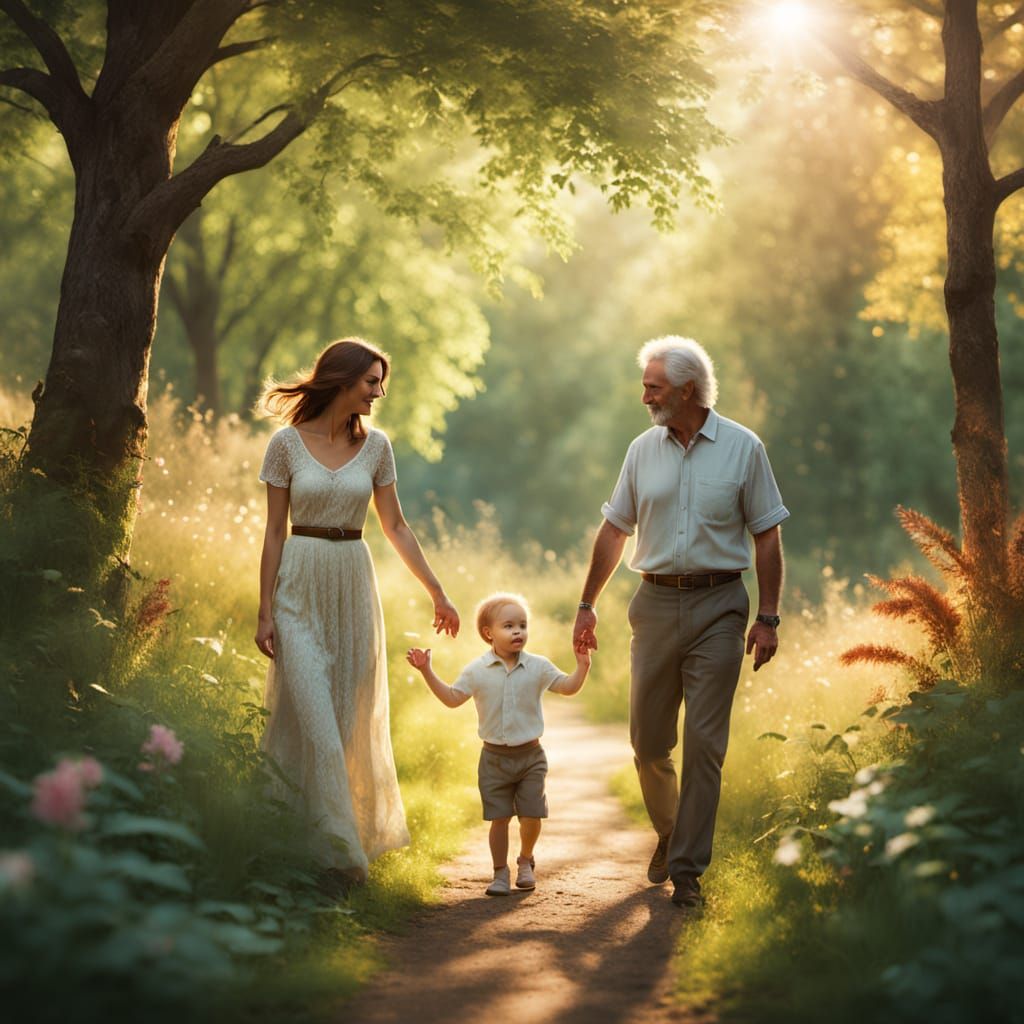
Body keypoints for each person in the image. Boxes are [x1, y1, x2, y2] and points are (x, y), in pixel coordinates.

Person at [572, 336, 788, 911]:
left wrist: (768, 616)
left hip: (721, 606)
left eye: (653, 387)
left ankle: (688, 870)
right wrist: (587, 602)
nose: (644, 396)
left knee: (704, 743)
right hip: (655, 603)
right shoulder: (642, 450)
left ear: (688, 390)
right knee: (648, 740)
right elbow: (615, 530)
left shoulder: (744, 449)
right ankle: (670, 830)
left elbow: (767, 533)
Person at [254, 337, 460, 889]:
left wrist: (437, 591)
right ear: (342, 379)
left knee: (345, 724)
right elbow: (274, 531)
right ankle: (342, 861)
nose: (379, 391)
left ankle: (312, 847)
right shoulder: (285, 445)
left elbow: (395, 526)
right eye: (371, 381)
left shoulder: (377, 447)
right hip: (298, 584)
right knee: (317, 726)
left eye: (380, 382)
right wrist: (264, 610)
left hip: (352, 585)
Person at [406, 592, 590, 896]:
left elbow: (567, 687)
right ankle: (500, 873)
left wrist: (582, 666)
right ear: (489, 633)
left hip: (531, 755)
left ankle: (526, 859)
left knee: (532, 814)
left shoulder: (538, 667)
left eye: (522, 625)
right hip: (493, 758)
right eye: (508, 626)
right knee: (500, 818)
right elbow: (452, 699)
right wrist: (427, 670)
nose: (517, 631)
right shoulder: (477, 670)